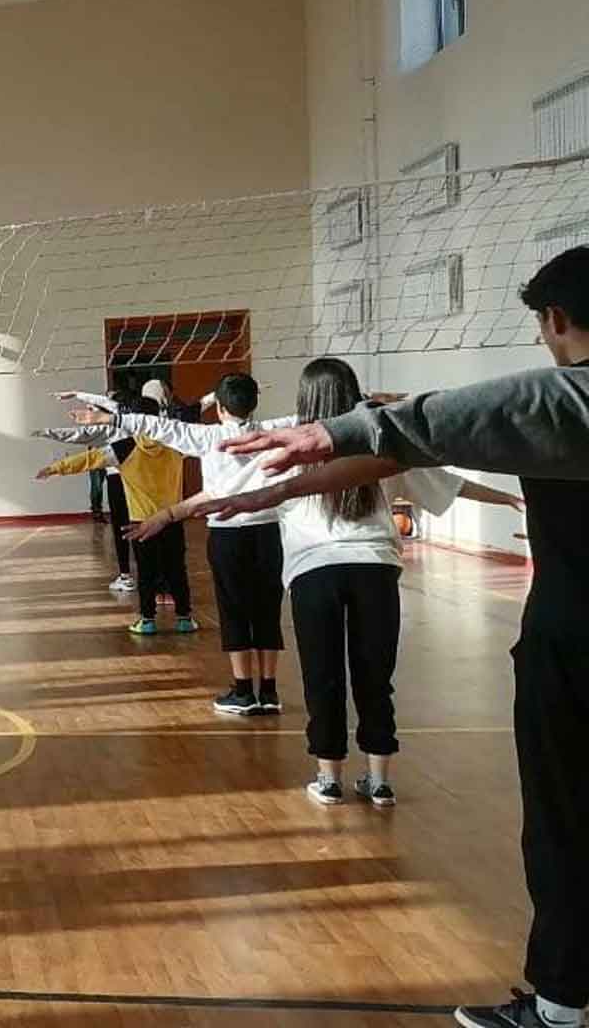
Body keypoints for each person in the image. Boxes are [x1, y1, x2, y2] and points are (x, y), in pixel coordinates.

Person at [218, 246, 589, 1028]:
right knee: (366, 682)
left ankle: (560, 1007)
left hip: (572, 648)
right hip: (465, 604)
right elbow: (417, 447)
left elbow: (438, 426)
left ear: (556, 320)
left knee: (564, 823)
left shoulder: (557, 400)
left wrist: (332, 436)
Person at [131, 358, 520, 812]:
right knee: (375, 679)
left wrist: (169, 514)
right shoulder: (383, 446)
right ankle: (380, 781)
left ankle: (329, 780)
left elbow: (227, 494)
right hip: (375, 571)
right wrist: (511, 498)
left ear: (304, 403)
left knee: (323, 677)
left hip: (315, 575)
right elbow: (451, 485)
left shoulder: (289, 454)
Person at [66, 374, 296, 716]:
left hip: (228, 536)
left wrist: (111, 419)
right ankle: (269, 691)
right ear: (253, 404)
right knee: (266, 609)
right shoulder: (274, 431)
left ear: (220, 408)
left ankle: (243, 691)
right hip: (268, 533)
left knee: (234, 610)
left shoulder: (209, 436)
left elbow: (159, 427)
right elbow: (316, 414)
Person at [36, 397, 192, 634]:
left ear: (132, 421)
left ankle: (147, 620)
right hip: (172, 519)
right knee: (177, 569)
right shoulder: (176, 442)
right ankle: (184, 618)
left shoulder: (124, 448)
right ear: (158, 418)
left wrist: (55, 468)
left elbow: (89, 459)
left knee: (146, 572)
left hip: (141, 523)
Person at [37, 387, 142, 591]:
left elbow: (78, 436)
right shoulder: (137, 421)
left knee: (121, 528)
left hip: (117, 479)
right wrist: (76, 394)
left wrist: (47, 432)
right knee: (139, 524)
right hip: (137, 479)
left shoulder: (109, 426)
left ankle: (126, 576)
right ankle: (145, 574)